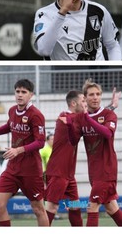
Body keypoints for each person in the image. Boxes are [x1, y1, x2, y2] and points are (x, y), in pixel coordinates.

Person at [0, 79, 49, 226]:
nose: (20, 95)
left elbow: (40, 142)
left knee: (38, 209)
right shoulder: (12, 110)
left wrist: (18, 150)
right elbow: (9, 126)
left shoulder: (36, 115)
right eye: (17, 91)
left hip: (31, 170)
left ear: (31, 95)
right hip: (13, 169)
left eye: (24, 92)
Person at [69, 79, 122, 226]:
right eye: (91, 94)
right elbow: (73, 140)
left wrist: (88, 119)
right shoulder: (81, 118)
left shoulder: (109, 115)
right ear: (85, 98)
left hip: (106, 170)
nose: (95, 97)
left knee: (92, 206)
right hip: (94, 171)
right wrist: (70, 125)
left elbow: (108, 134)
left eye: (98, 94)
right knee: (112, 209)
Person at [44, 90, 86, 226]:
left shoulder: (75, 118)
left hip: (68, 174)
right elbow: (89, 118)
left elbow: (92, 118)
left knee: (75, 207)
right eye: (83, 101)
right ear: (74, 103)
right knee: (52, 207)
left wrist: (111, 107)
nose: (86, 104)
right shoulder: (65, 117)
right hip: (58, 172)